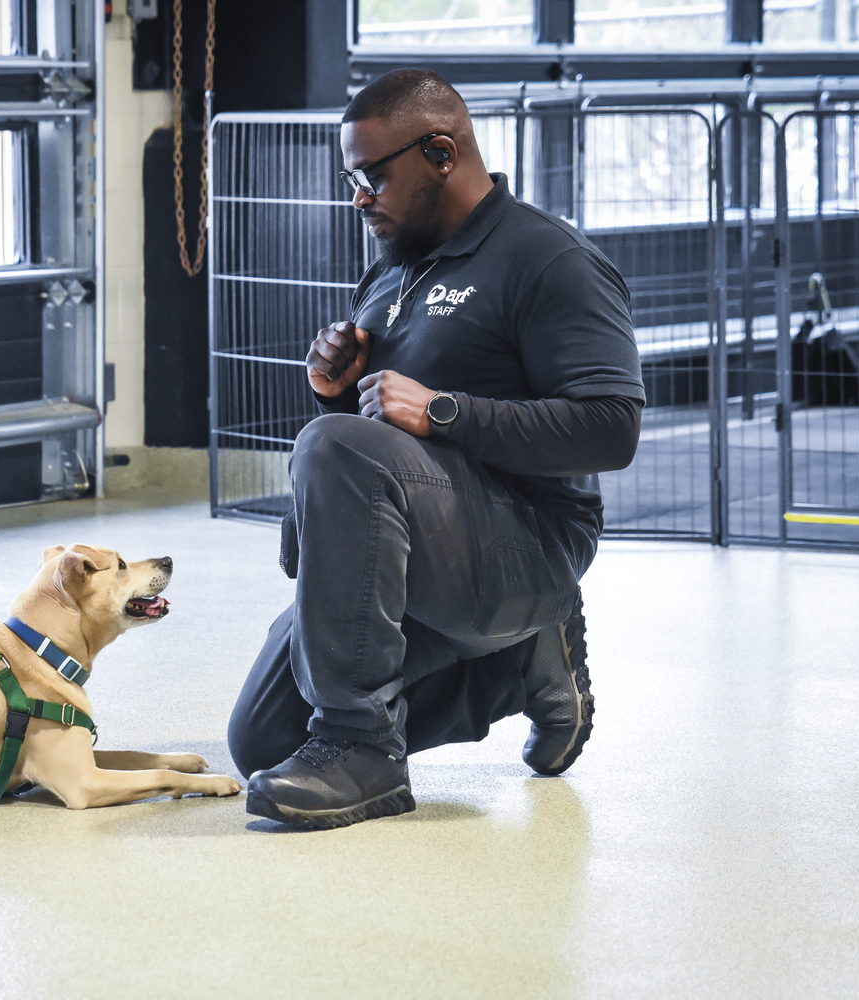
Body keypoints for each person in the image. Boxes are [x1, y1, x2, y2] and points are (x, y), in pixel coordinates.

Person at [227, 69, 645, 829]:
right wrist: (334, 388)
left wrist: (443, 411)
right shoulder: (392, 270)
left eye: (373, 175)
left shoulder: (550, 261)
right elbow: (377, 439)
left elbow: (612, 427)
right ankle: (519, 661)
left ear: (442, 153)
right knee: (261, 741)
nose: (359, 197)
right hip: (416, 546)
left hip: (528, 540)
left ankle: (363, 749)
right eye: (353, 179)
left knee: (336, 450)